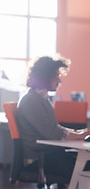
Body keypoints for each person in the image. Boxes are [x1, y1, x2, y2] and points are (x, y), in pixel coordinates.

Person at [17, 55, 90, 183]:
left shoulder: (40, 98)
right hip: (39, 159)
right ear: (46, 76)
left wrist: (79, 133)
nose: (59, 81)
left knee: (84, 163)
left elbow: (54, 129)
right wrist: (80, 135)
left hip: (48, 154)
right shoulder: (31, 100)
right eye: (57, 75)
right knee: (85, 168)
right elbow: (52, 133)